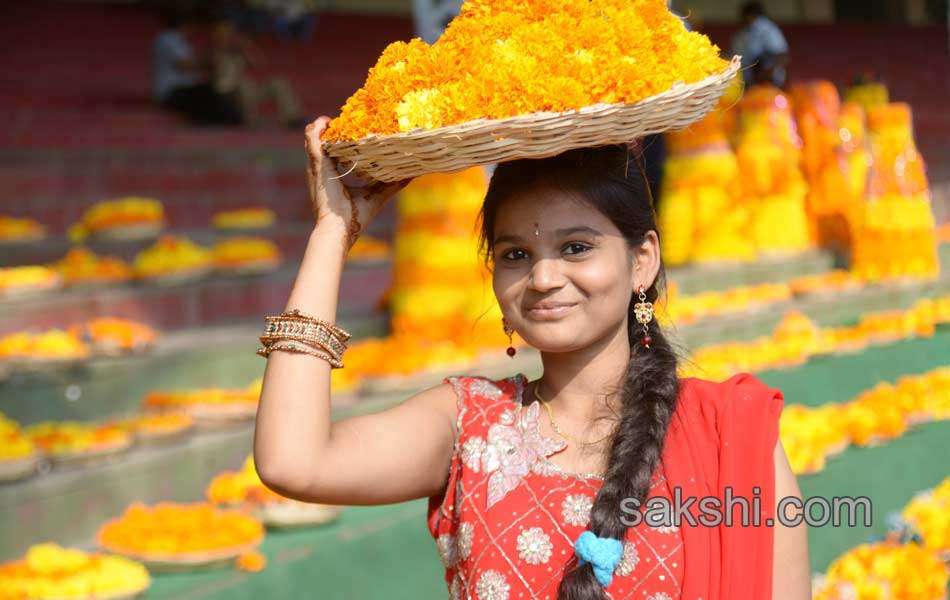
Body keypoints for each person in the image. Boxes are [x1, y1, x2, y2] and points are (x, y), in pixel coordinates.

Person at [253, 116, 811, 600]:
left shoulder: (730, 435)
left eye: (576, 247)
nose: (544, 278)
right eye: (517, 253)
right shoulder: (469, 424)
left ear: (643, 261)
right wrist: (332, 231)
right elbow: (293, 461)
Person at [152, 6, 243, 126]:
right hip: (171, 91)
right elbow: (184, 65)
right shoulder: (168, 39)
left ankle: (232, 118)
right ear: (186, 25)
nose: (194, 30)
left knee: (214, 91)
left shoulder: (183, 43)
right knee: (208, 92)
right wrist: (212, 62)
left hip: (185, 89)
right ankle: (231, 120)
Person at [210, 19, 306, 129]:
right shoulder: (214, 53)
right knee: (244, 84)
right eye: (223, 35)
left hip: (246, 92)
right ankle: (249, 120)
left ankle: (292, 118)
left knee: (279, 82)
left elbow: (259, 63)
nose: (226, 38)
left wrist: (246, 47)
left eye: (229, 35)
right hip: (225, 93)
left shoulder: (238, 53)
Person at [731, 2, 790, 89]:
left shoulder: (768, 29)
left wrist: (769, 71)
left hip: (771, 82)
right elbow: (733, 60)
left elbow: (783, 55)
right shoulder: (741, 35)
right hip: (747, 83)